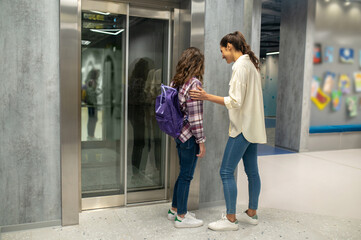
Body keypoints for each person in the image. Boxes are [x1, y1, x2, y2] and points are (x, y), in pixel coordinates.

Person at [189, 31, 267, 231]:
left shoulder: (240, 66)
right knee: (252, 172)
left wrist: (206, 96)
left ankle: (231, 219)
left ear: (230, 46)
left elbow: (235, 101)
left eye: (222, 50)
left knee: (225, 171)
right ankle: (251, 213)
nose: (222, 55)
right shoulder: (251, 65)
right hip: (254, 127)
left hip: (242, 128)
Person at [167, 47, 206, 228]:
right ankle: (181, 217)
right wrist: (202, 142)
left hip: (178, 134)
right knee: (186, 176)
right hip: (189, 137)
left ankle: (175, 209)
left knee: (182, 173)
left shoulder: (177, 81)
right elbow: (196, 118)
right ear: (197, 64)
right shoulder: (194, 84)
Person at [85, 69, 101, 141]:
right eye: (98, 74)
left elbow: (92, 93)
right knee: (92, 119)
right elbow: (90, 93)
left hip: (92, 104)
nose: (99, 76)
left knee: (93, 119)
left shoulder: (90, 81)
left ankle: (91, 135)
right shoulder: (91, 81)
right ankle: (91, 136)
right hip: (92, 104)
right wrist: (94, 104)